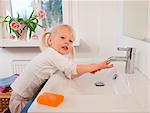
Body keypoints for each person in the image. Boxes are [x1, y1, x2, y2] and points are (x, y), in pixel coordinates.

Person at [9, 24, 113, 113]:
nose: (67, 42)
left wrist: (88, 70)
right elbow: (72, 68)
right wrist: (96, 66)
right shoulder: (51, 54)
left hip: (24, 98)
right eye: (62, 38)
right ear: (50, 40)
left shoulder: (56, 57)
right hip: (19, 102)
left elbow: (70, 74)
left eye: (71, 40)